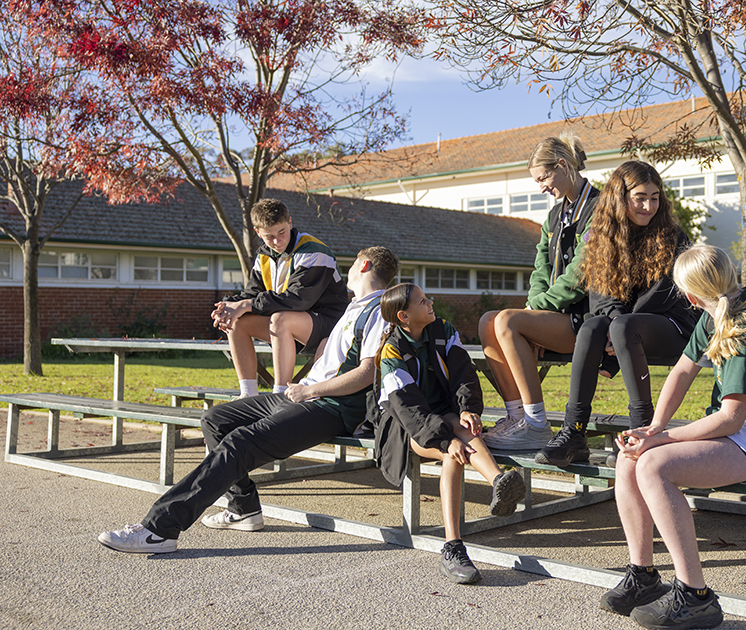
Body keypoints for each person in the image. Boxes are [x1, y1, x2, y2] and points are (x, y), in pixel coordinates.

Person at [98, 246, 400, 553]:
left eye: (352, 265)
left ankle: (159, 529)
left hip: (329, 407)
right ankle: (244, 508)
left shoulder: (379, 311)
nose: (347, 270)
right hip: (303, 394)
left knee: (239, 444)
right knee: (216, 420)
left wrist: (311, 390)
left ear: (363, 266)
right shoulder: (355, 307)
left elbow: (366, 373)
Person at [601, 244, 746, 630]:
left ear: (691, 297)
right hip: (744, 434)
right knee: (631, 459)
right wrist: (654, 427)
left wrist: (662, 443)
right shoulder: (717, 314)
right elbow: (681, 372)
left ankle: (695, 596)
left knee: (655, 465)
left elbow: (731, 419)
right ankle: (643, 575)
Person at [535, 161, 699, 467]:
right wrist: (612, 325)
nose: (648, 205)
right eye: (640, 197)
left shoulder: (672, 234)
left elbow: (665, 292)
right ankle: (574, 431)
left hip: (672, 324)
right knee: (592, 326)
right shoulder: (604, 235)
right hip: (626, 327)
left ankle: (644, 428)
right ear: (619, 197)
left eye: (654, 197)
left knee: (621, 325)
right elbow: (601, 291)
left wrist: (620, 326)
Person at [373, 283, 526, 584]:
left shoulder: (443, 329)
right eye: (422, 301)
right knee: (452, 453)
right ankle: (453, 547)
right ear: (404, 316)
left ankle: (499, 484)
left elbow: (463, 374)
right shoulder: (392, 350)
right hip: (405, 427)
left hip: (442, 414)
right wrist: (445, 441)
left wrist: (468, 409)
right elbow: (408, 410)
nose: (430, 303)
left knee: (463, 426)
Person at [480, 132, 600, 450]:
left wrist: (532, 314)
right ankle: (517, 415)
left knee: (507, 321)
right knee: (488, 321)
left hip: (589, 321)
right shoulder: (554, 216)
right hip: (556, 316)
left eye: (543, 178)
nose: (542, 187)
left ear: (562, 165)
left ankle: (536, 424)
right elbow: (540, 270)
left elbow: (579, 277)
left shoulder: (599, 209)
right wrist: (535, 309)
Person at [211, 198, 349, 398]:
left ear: (290, 223)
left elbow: (297, 300)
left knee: (280, 318)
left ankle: (280, 394)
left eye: (281, 232)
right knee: (236, 320)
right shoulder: (263, 256)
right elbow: (253, 293)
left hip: (330, 325)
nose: (277, 241)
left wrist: (246, 304)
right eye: (269, 236)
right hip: (291, 327)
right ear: (258, 233)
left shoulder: (314, 251)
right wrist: (228, 307)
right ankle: (248, 395)